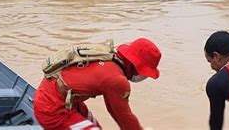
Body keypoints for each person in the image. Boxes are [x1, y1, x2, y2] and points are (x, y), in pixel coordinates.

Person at [34, 38, 162, 130]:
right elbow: (125, 118)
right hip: (52, 109)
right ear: (136, 65)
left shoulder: (110, 56)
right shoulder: (117, 80)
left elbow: (114, 111)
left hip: (62, 98)